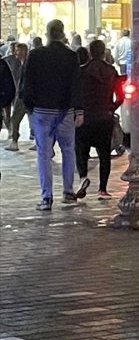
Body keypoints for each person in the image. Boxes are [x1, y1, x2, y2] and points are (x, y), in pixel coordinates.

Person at [21, 20, 84, 210]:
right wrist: (79, 109)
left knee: (44, 154)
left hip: (42, 110)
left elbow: (27, 83)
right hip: (65, 110)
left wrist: (29, 106)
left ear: (47, 34)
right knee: (68, 150)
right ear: (62, 34)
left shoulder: (36, 55)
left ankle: (46, 197)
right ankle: (68, 191)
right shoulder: (71, 56)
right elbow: (76, 84)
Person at [75, 40, 124, 200]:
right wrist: (112, 107)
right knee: (104, 153)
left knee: (81, 149)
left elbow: (76, 94)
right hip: (105, 117)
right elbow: (120, 96)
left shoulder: (82, 71)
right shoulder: (111, 71)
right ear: (104, 52)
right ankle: (102, 189)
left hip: (86, 116)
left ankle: (83, 177)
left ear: (90, 53)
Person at [2, 43, 28, 151]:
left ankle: (14, 141)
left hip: (23, 96)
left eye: (17, 50)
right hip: (22, 95)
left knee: (15, 119)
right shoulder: (22, 63)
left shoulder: (26, 64)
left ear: (23, 51)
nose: (15, 53)